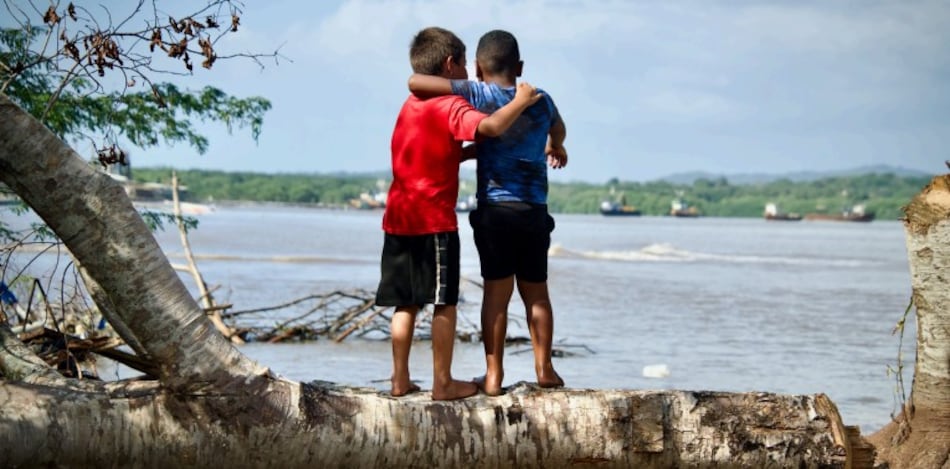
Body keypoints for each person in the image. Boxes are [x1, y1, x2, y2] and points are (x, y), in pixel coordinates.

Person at [376, 26, 543, 400]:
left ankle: (399, 379)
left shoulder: (410, 105)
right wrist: (521, 101)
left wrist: (467, 152)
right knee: (444, 302)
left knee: (405, 302)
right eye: (465, 63)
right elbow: (490, 126)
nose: (469, 71)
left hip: (398, 217)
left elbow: (435, 150)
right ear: (450, 64)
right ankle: (443, 382)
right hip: (433, 221)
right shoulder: (451, 105)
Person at [407, 29, 568, 396]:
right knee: (537, 294)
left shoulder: (479, 94)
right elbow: (558, 128)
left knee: (496, 296)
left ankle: (493, 375)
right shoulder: (541, 99)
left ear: (478, 67)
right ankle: (544, 368)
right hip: (533, 211)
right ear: (520, 66)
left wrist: (463, 82)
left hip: (495, 212)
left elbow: (416, 82)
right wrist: (555, 145)